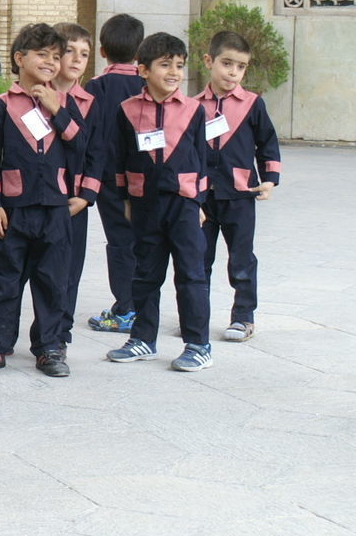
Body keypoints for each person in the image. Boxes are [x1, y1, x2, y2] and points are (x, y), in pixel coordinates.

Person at [0, 24, 84, 378]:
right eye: (42, 55)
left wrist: (57, 110)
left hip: (55, 209)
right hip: (13, 209)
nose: (51, 63)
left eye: (57, 57)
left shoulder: (66, 104)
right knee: (5, 278)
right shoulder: (1, 107)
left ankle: (50, 346)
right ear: (19, 58)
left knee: (53, 280)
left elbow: (81, 148)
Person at [106, 33, 213, 372]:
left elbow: (203, 160)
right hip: (144, 204)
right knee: (145, 274)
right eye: (165, 65)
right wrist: (125, 198)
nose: (173, 72)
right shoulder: (127, 110)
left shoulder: (195, 110)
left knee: (191, 274)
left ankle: (198, 344)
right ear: (143, 70)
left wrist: (199, 203)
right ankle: (143, 338)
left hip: (182, 204)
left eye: (179, 66)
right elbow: (120, 158)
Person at [197, 30, 281, 343]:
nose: (233, 72)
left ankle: (243, 316)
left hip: (240, 195)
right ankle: (196, 316)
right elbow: (187, 151)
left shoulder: (252, 104)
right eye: (227, 64)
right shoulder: (192, 106)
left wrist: (270, 178)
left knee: (242, 259)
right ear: (209, 61)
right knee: (198, 259)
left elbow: (267, 142)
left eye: (240, 66)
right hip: (203, 198)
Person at [84, 13, 147, 334]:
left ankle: (125, 308)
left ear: (102, 50)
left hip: (109, 180)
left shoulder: (93, 88)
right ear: (140, 53)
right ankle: (144, 305)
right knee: (145, 241)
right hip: (146, 181)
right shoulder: (148, 85)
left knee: (120, 242)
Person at [50, 23, 102, 349]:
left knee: (69, 271)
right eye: (70, 51)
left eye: (84, 54)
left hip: (72, 201)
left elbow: (97, 152)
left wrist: (87, 196)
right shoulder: (32, 97)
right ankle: (0, 338)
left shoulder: (90, 103)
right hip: (33, 198)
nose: (77, 59)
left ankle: (59, 335)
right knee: (20, 270)